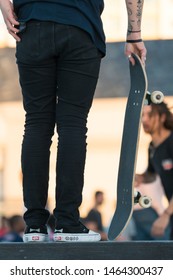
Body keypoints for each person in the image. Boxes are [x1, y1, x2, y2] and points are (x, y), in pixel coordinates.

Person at [0, 0, 147, 242]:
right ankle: (66, 224)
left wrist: (4, 5)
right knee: (73, 125)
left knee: (36, 123)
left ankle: (35, 226)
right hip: (80, 26)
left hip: (33, 25)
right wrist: (133, 34)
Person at [135, 102, 173, 239]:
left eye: (150, 115)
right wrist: (139, 178)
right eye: (142, 115)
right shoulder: (152, 147)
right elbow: (151, 174)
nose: (144, 120)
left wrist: (166, 215)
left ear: (162, 117)